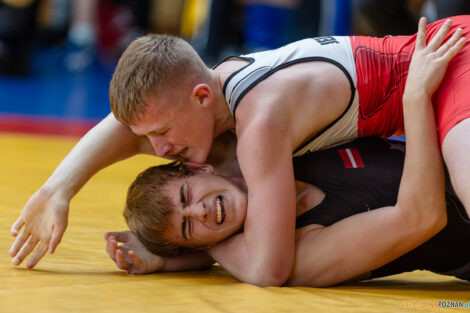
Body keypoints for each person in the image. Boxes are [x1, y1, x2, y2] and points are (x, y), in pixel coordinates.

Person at [9, 17, 466, 286]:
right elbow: (139, 117)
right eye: (191, 228)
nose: (159, 148)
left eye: (165, 135)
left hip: (442, 65)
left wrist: (191, 253)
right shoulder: (220, 82)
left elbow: (267, 267)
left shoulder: (259, 128)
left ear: (203, 99)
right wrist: (59, 189)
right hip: (438, 77)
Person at [106, 137, 470, 286]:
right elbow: (423, 215)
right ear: (203, 248)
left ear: (199, 169)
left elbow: (136, 121)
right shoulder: (301, 256)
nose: (199, 211)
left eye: (187, 196)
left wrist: (63, 187)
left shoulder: (275, 145)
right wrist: (417, 97)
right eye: (188, 227)